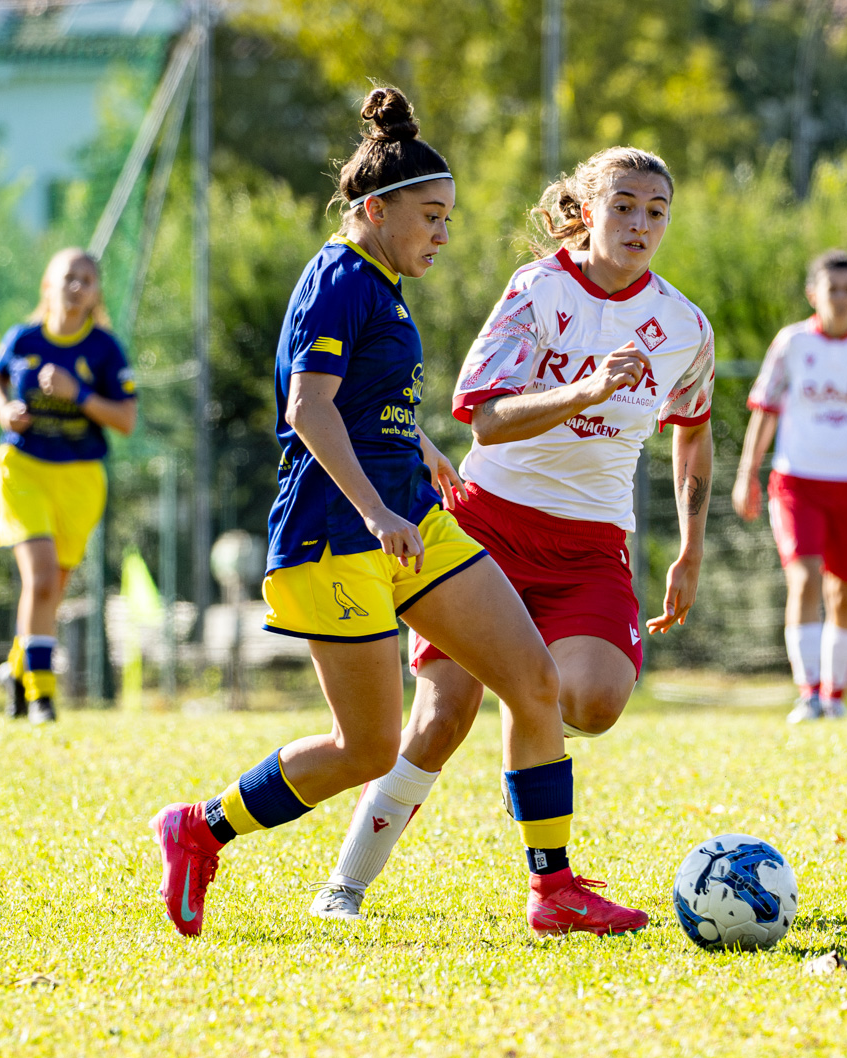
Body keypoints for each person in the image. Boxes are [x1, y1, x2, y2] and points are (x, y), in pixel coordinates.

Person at [148, 89, 648, 940]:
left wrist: (415, 443)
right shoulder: (339, 276)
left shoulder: (380, 279)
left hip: (415, 519)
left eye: (448, 218)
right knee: (369, 747)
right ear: (375, 209)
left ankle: (553, 888)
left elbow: (363, 395)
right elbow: (308, 409)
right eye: (430, 216)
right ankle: (200, 826)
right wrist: (378, 506)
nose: (443, 235)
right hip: (336, 532)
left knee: (531, 680)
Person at [309, 145, 716, 922]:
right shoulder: (538, 290)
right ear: (588, 211)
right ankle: (347, 884)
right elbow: (486, 419)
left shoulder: (683, 327)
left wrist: (690, 550)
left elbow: (693, 431)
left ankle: (528, 748)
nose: (638, 224)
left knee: (592, 701)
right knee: (438, 720)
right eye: (623, 206)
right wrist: (588, 387)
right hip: (487, 527)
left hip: (592, 546)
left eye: (655, 212)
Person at [731, 249, 847, 723]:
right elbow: (764, 411)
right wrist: (747, 472)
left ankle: (835, 696)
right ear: (814, 294)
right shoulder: (790, 344)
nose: (843, 298)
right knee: (805, 577)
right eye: (833, 289)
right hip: (797, 483)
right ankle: (807, 693)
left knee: (845, 591)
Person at [0, 248, 137, 725]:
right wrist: (3, 409)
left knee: (52, 589)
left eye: (87, 279)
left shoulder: (105, 349)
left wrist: (80, 394)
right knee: (42, 580)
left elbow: (126, 420)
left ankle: (15, 669)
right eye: (68, 277)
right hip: (23, 468)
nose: (77, 286)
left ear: (96, 294)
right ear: (47, 286)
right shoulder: (24, 337)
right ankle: (42, 697)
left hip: (79, 477)